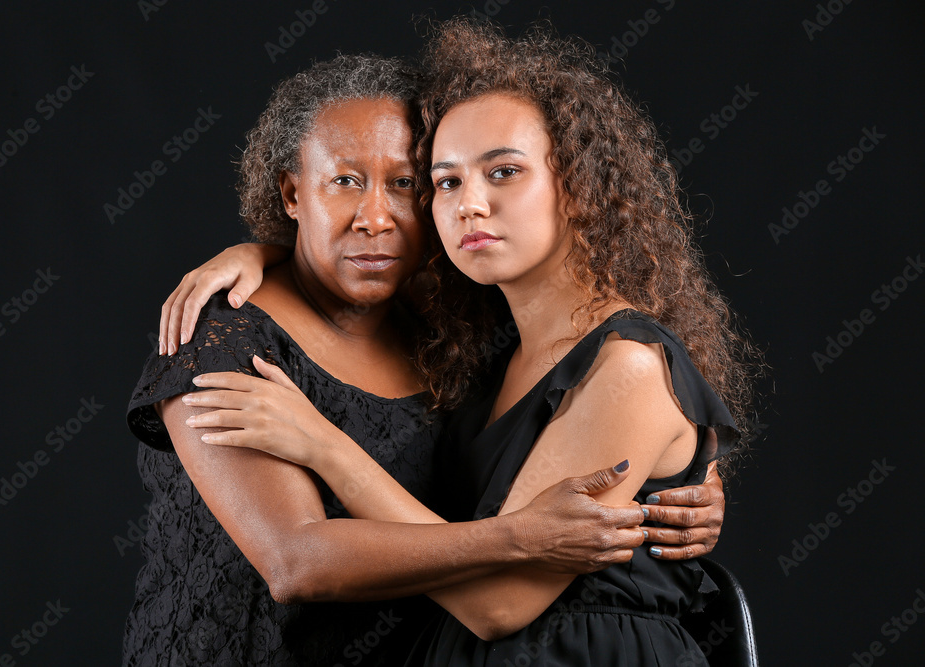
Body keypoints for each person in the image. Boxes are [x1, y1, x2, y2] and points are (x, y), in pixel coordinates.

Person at [168, 18, 759, 666]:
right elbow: (354, 252)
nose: (468, 204)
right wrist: (267, 253)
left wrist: (321, 443)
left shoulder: (626, 367)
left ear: (579, 186)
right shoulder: (483, 345)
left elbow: (499, 602)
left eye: (502, 171)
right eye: (446, 181)